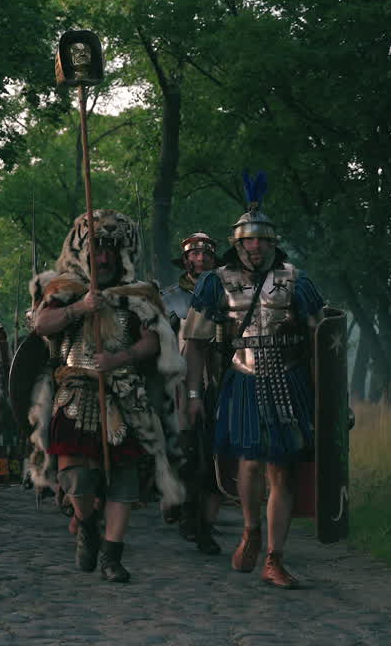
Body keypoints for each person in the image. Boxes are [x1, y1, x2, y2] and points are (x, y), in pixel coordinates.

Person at [25, 209, 185, 582]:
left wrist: (120, 357)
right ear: (84, 251)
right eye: (98, 248)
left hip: (124, 392)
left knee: (124, 478)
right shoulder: (63, 291)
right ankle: (85, 522)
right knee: (76, 474)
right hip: (75, 388)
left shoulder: (139, 294)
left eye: (112, 249)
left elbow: (154, 339)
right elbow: (41, 326)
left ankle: (112, 555)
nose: (105, 257)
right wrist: (81, 308)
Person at [183, 187, 325, 589]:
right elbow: (193, 343)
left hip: (289, 377)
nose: (255, 247)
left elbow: (322, 343)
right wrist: (193, 396)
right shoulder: (215, 283)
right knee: (247, 461)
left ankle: (274, 558)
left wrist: (327, 396)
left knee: (281, 468)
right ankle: (250, 531)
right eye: (248, 240)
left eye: (262, 239)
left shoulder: (296, 280)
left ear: (273, 242)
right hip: (242, 378)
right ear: (237, 244)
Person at [162, 232, 223, 555]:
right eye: (194, 254)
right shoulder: (169, 297)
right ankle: (184, 510)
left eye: (206, 254)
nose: (200, 259)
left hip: (220, 380)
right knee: (185, 452)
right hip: (179, 383)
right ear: (185, 260)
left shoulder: (227, 292)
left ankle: (205, 521)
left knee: (215, 452)